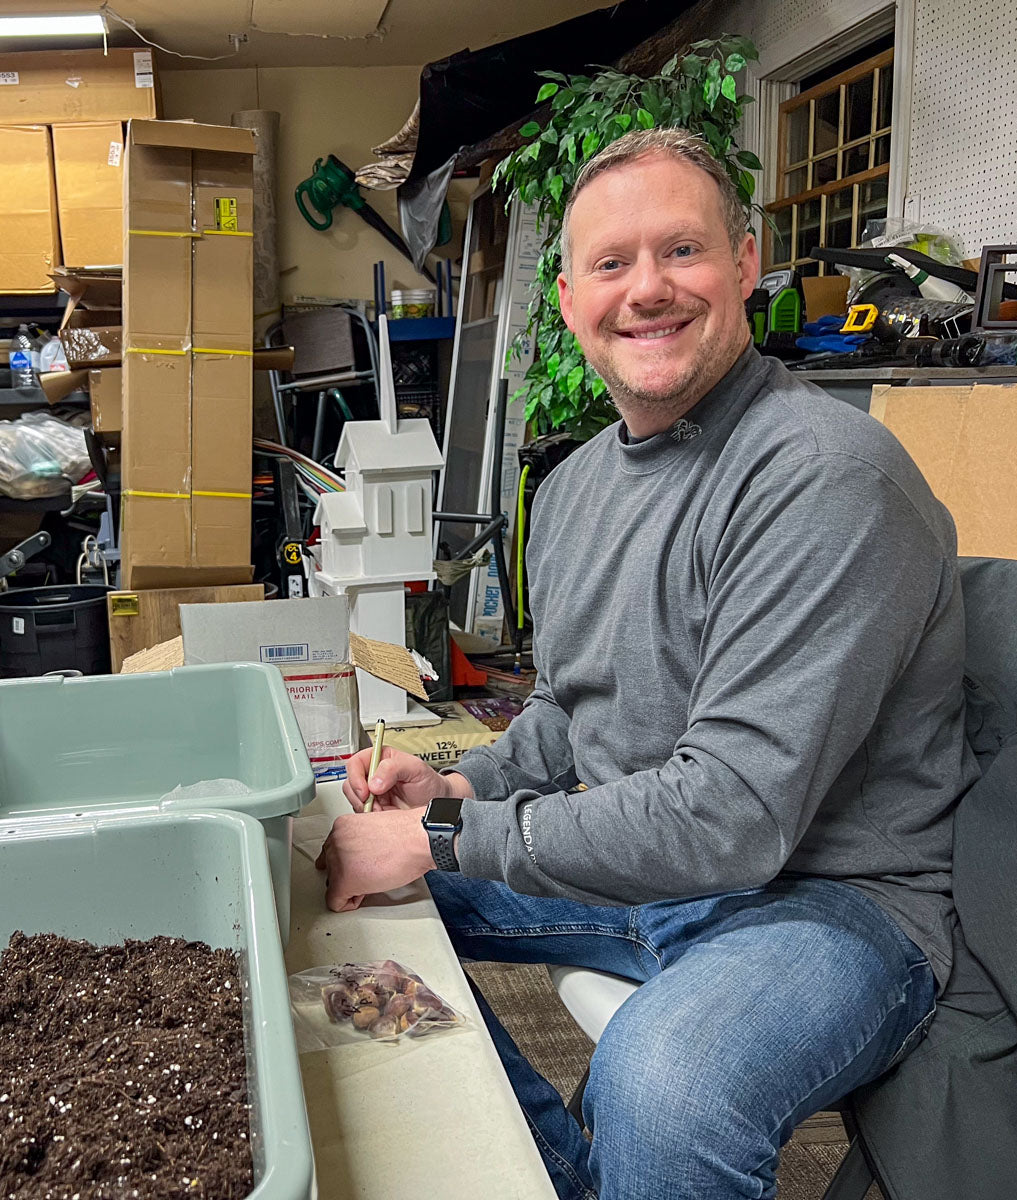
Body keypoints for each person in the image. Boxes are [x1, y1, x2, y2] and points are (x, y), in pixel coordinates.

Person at [316, 127, 978, 1200]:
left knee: (665, 1083)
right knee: (327, 877)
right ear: (571, 297)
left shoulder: (824, 479)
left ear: (747, 266)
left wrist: (443, 836)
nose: (648, 291)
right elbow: (577, 716)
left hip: (830, 902)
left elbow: (730, 814)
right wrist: (458, 784)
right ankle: (549, 1174)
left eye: (683, 252)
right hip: (659, 876)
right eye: (613, 265)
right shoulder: (576, 486)